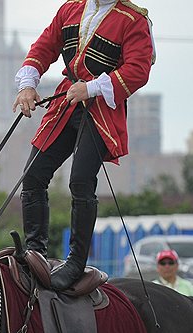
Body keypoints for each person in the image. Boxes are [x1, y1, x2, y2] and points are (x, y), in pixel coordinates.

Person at [13, 0, 154, 290]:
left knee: (80, 180)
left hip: (102, 108)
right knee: (33, 175)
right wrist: (27, 84)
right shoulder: (70, 10)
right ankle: (35, 253)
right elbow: (43, 48)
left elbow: (138, 70)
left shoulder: (133, 19)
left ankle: (76, 262)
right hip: (68, 101)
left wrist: (91, 87)